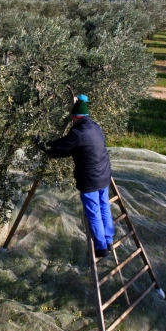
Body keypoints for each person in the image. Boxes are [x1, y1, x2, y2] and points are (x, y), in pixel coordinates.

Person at [36, 94, 114, 258]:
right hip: (104, 175)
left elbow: (60, 146)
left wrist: (40, 143)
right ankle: (109, 241)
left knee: (94, 213)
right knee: (104, 207)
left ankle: (100, 248)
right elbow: (78, 149)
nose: (71, 121)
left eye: (72, 118)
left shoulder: (78, 133)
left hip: (90, 180)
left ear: (77, 117)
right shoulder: (96, 127)